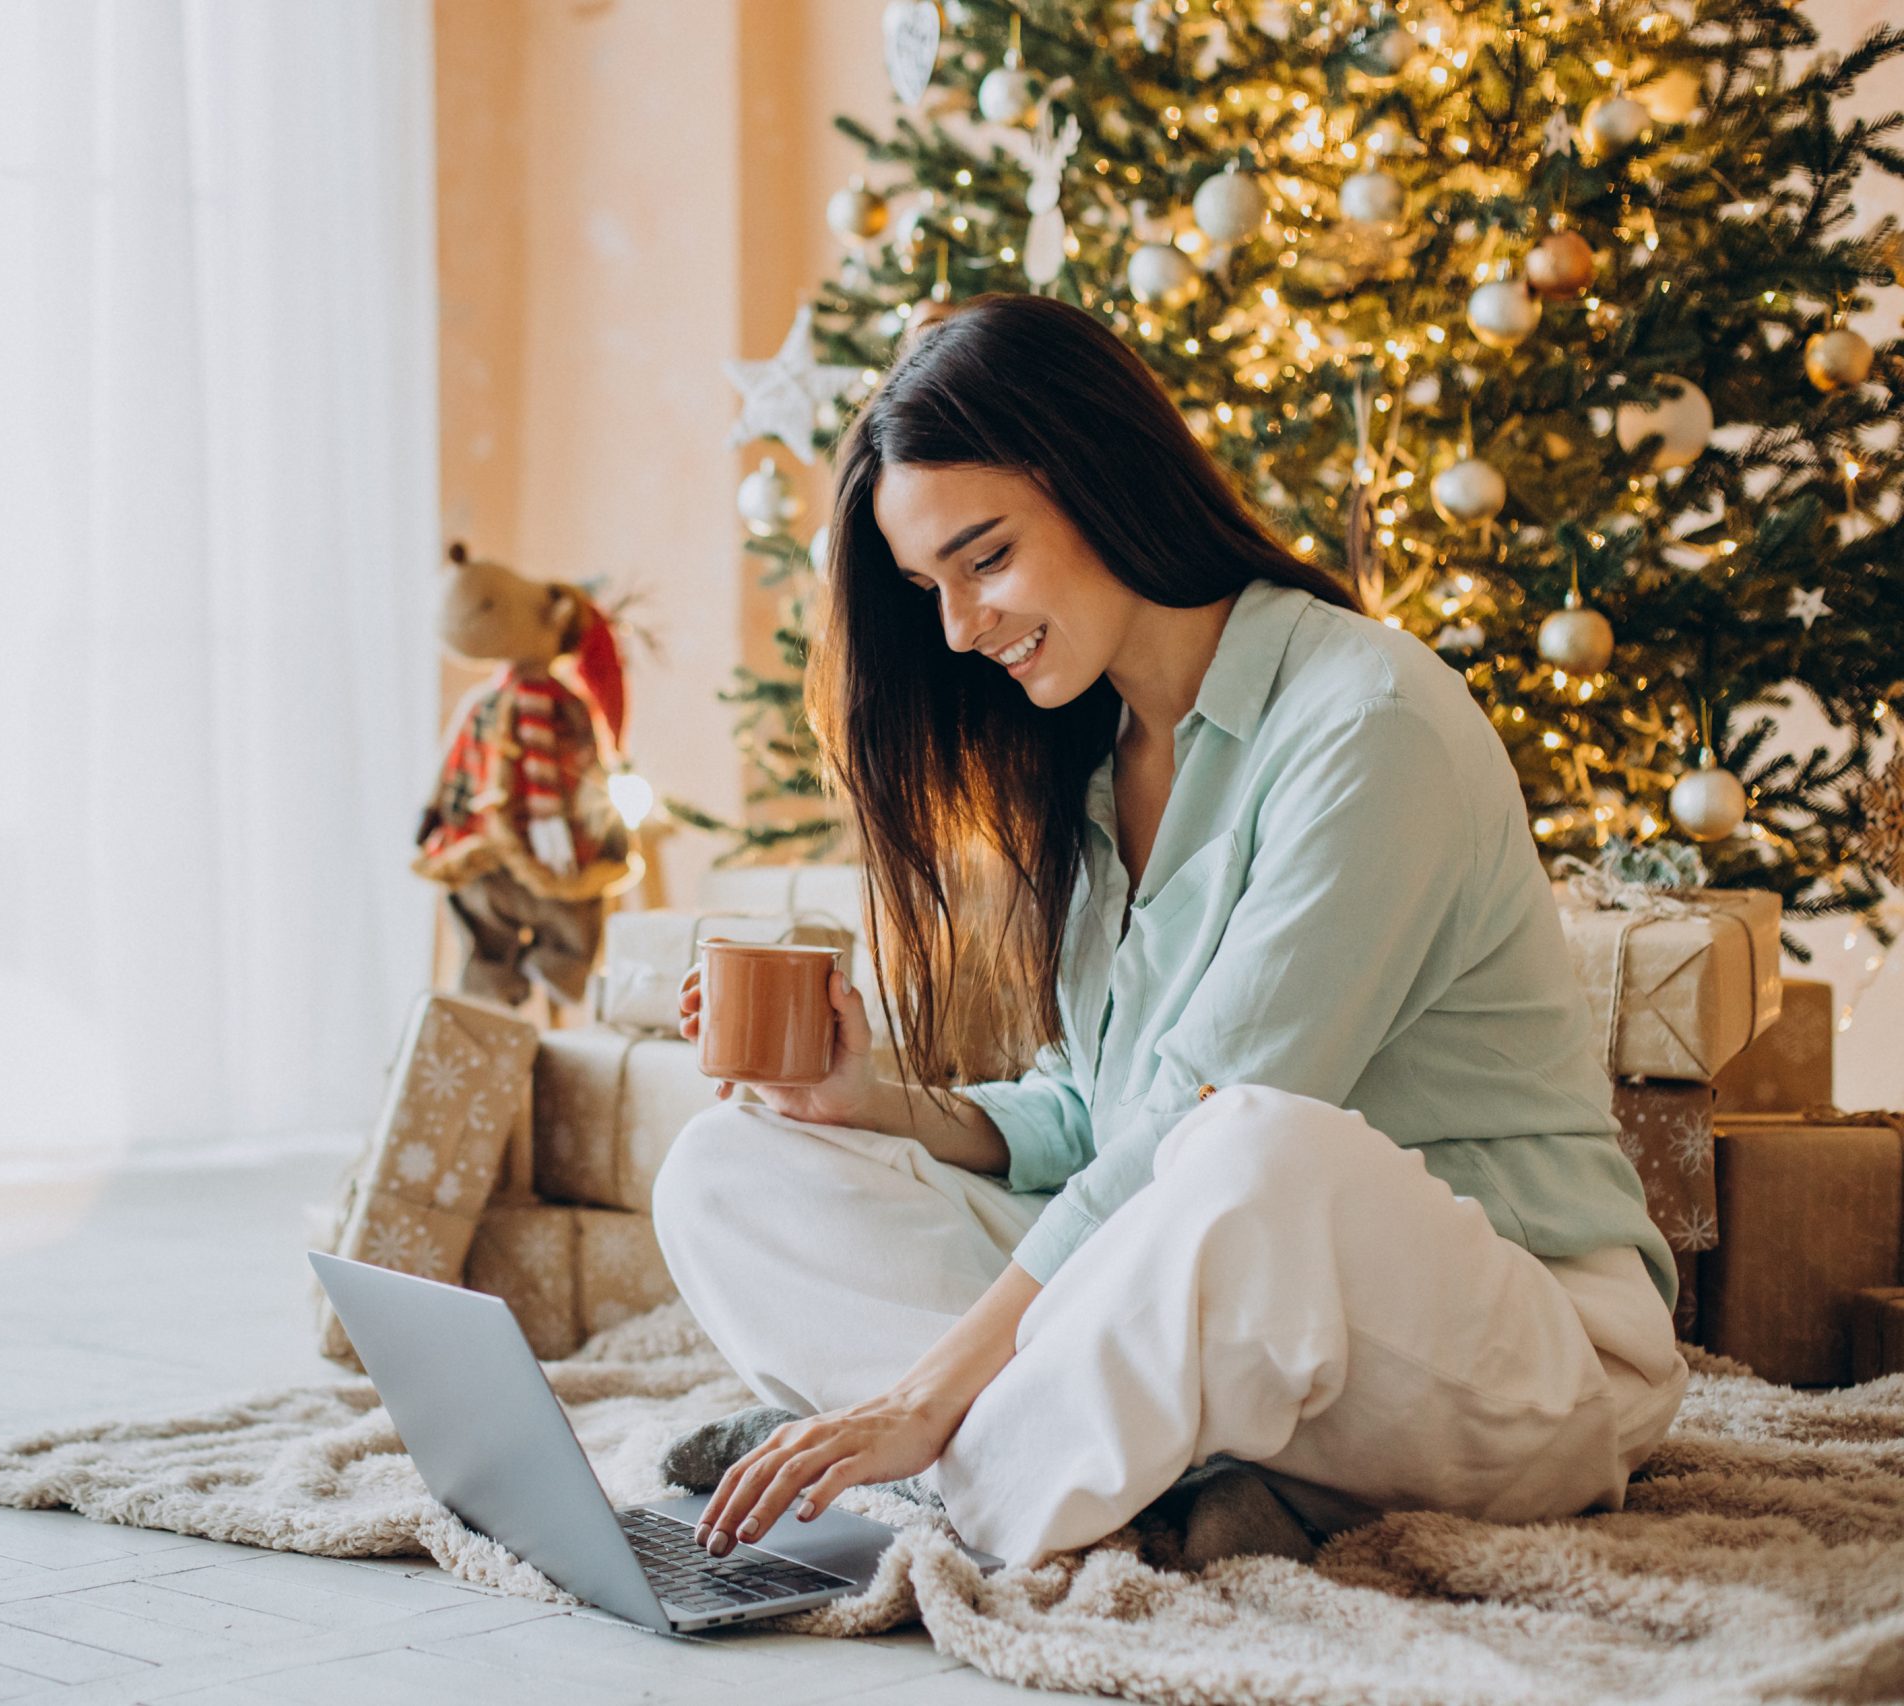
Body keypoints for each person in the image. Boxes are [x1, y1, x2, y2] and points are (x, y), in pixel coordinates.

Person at [650, 293, 1688, 1575]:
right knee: (724, 1169)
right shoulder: (1092, 762)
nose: (960, 629)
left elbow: (1204, 1120)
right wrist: (880, 1102)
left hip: (1515, 1345)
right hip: (1240, 1326)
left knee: (1250, 1144)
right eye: (929, 587)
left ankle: (961, 1476)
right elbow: (1094, 1119)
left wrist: (925, 1390)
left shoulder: (1370, 721)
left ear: (1100, 474)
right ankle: (1063, 1454)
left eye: (985, 559)